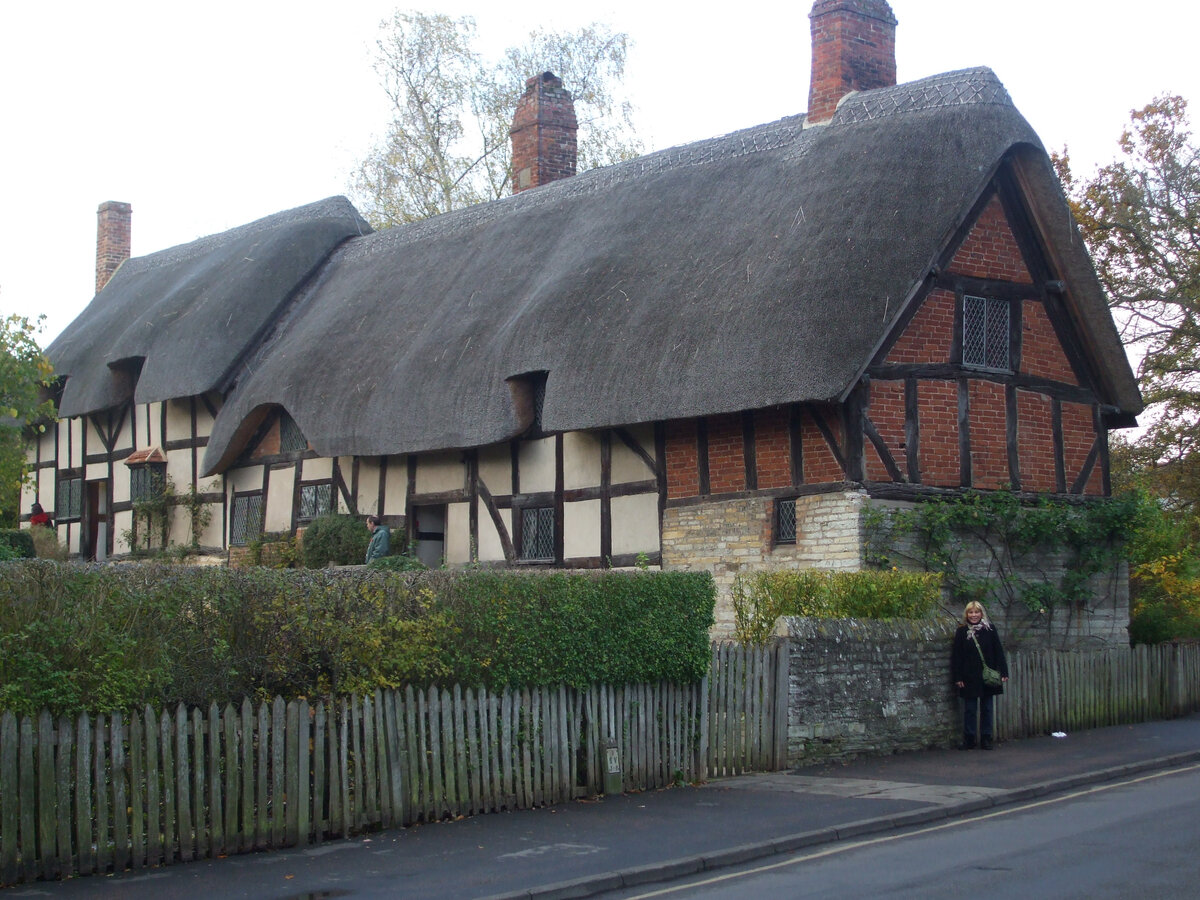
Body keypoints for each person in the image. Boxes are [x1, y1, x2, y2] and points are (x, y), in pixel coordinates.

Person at [950, 600, 1009, 750]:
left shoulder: (990, 629)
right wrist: (958, 677)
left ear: (981, 613)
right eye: (971, 612)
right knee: (970, 709)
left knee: (987, 708)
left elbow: (998, 651)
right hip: (969, 676)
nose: (974, 615)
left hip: (986, 675)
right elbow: (957, 656)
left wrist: (1003, 671)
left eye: (977, 612)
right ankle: (969, 739)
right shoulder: (962, 631)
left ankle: (986, 738)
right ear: (966, 614)